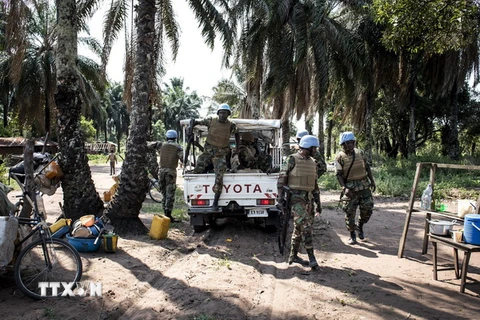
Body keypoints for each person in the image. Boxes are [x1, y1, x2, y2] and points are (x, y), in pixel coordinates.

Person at [277, 135, 322, 270]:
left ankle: (293, 255)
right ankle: (312, 258)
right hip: (296, 198)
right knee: (306, 227)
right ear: (308, 147)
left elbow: (314, 185)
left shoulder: (313, 162)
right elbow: (281, 179)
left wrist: (318, 203)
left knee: (299, 228)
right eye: (314, 148)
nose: (316, 151)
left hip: (308, 199)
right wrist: (280, 199)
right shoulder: (292, 159)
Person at [193, 103, 240, 211]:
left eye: (225, 113)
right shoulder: (211, 120)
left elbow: (237, 134)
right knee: (198, 166)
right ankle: (197, 190)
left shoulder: (231, 125)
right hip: (208, 150)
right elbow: (196, 122)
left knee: (219, 176)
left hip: (220, 153)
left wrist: (237, 149)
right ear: (218, 113)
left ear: (228, 114)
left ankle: (215, 202)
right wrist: (191, 125)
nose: (223, 115)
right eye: (221, 113)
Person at [335, 131, 376, 244]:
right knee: (349, 213)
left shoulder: (360, 153)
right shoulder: (340, 157)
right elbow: (338, 174)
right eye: (348, 143)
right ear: (343, 144)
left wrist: (372, 181)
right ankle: (352, 234)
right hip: (350, 189)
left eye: (353, 142)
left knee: (368, 209)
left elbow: (367, 167)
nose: (351, 145)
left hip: (364, 187)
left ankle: (360, 225)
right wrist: (344, 188)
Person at [149, 129, 184, 222]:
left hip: (161, 171)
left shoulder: (160, 144)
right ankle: (168, 215)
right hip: (170, 172)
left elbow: (148, 145)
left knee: (164, 193)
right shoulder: (178, 147)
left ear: (167, 137)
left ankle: (165, 213)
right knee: (170, 194)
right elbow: (183, 159)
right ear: (175, 138)